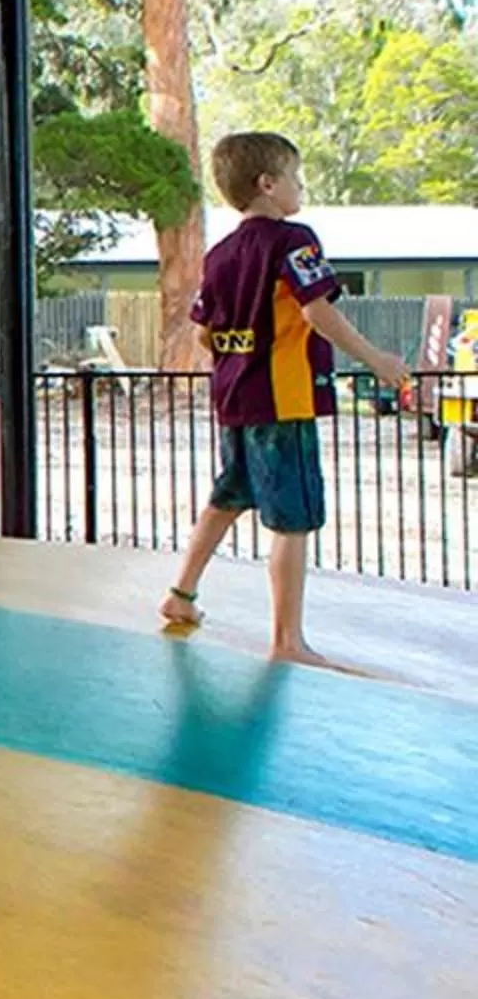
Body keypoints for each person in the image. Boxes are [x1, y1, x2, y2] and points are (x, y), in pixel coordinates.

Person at [159, 131, 415, 664]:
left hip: (235, 397)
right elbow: (317, 310)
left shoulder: (220, 254)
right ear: (268, 185)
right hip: (284, 399)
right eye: (295, 178)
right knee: (292, 519)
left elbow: (204, 332)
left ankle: (181, 593)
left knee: (229, 495)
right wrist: (377, 359)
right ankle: (287, 641)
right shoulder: (294, 240)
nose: (301, 188)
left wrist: (241, 354)